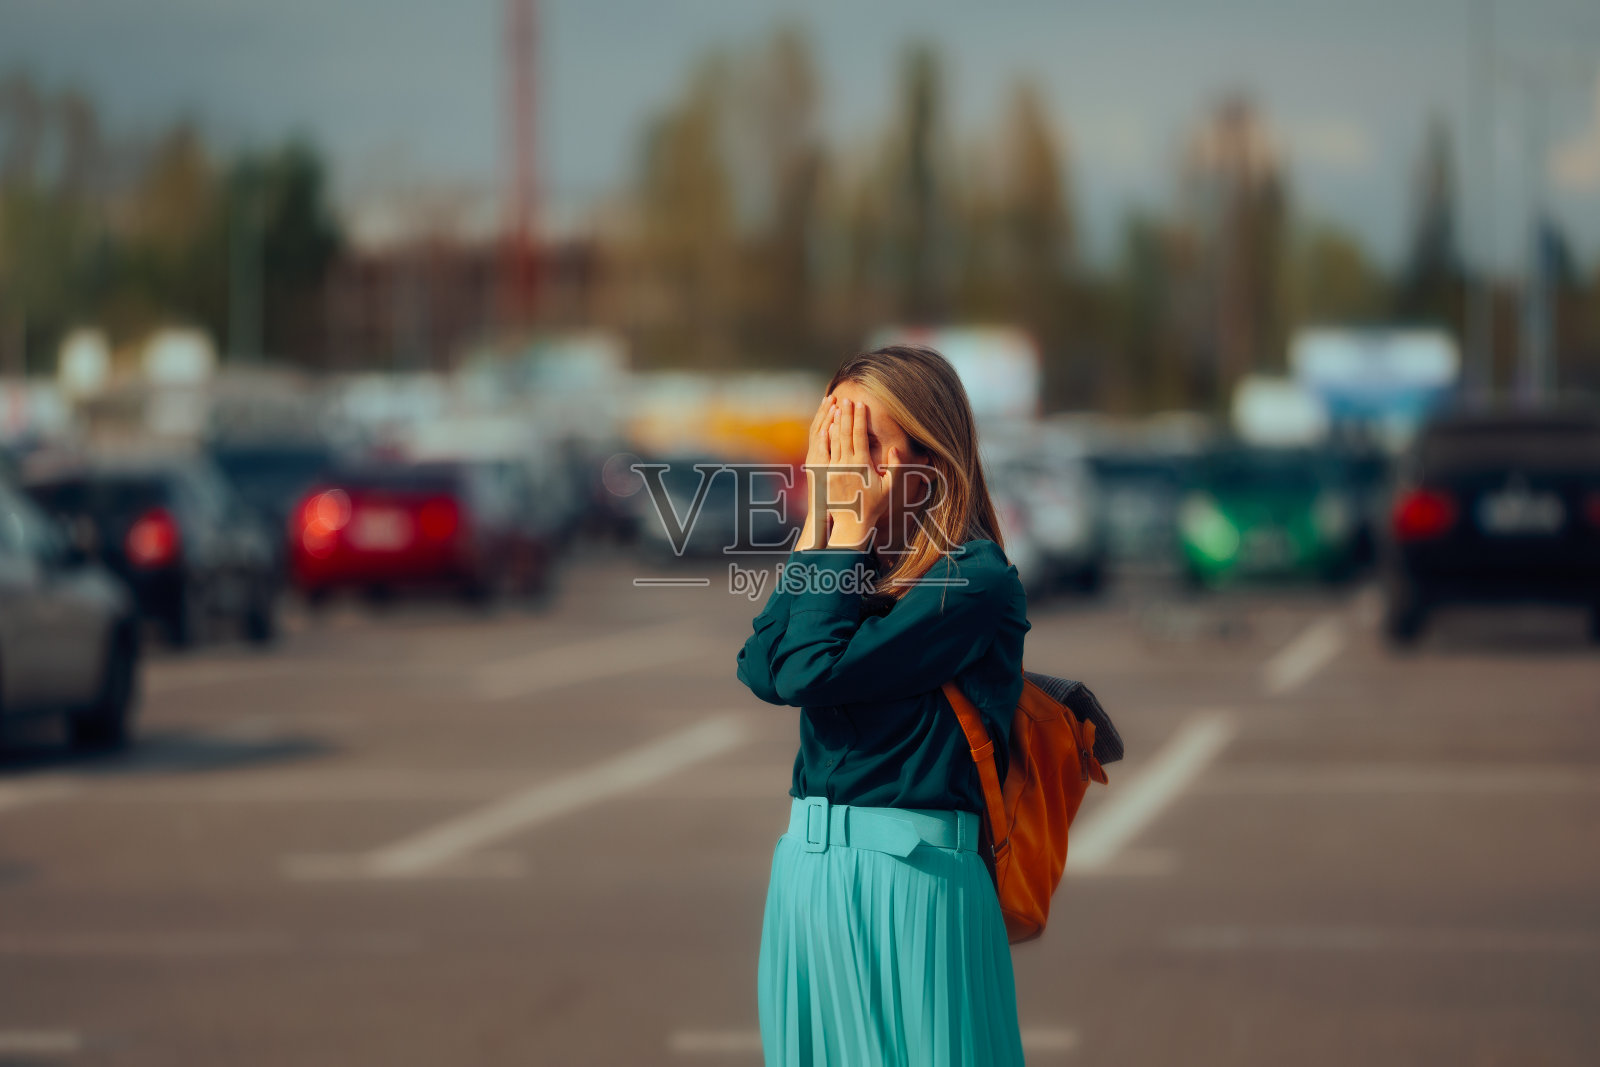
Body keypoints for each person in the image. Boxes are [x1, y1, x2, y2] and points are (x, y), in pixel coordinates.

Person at [736, 344, 1030, 1066]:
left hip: (913, 881)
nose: (839, 461)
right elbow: (762, 664)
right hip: (808, 875)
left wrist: (840, 534)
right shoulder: (854, 563)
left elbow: (808, 669)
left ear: (927, 464)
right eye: (830, 436)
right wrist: (821, 529)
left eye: (862, 441)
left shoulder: (974, 581)